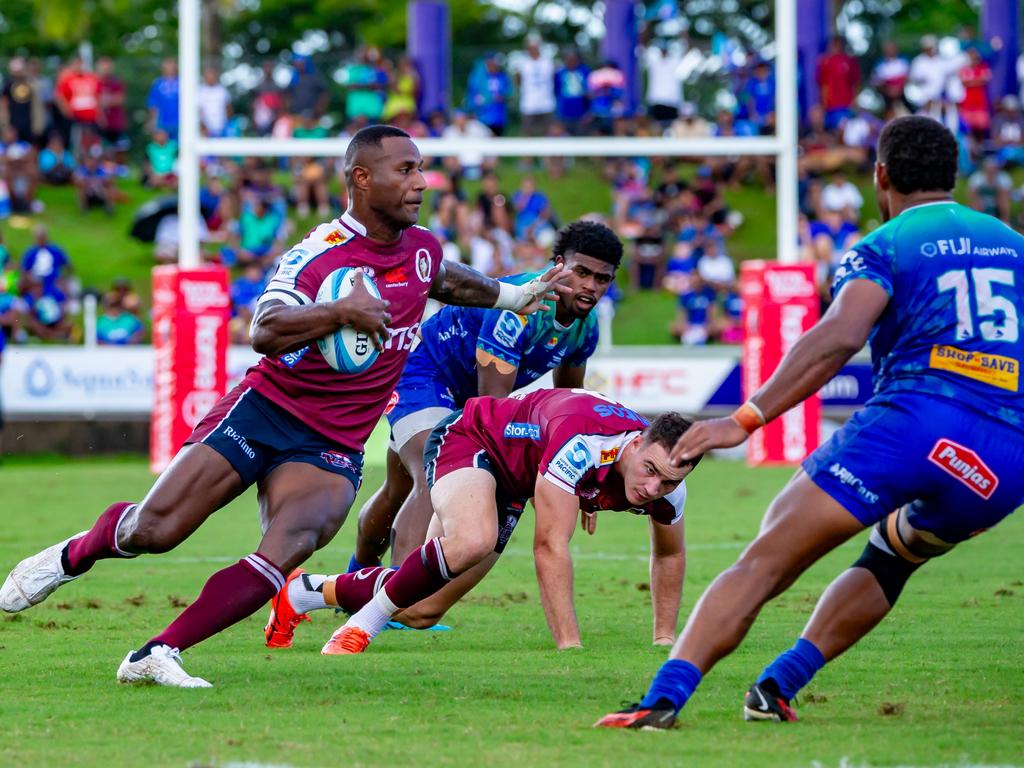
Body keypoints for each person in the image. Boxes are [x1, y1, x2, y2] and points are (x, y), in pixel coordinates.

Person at [0, 125, 567, 688]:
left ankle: (157, 652)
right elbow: (264, 328)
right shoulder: (318, 256)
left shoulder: (421, 248)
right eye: (407, 170)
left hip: (333, 444)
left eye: (421, 169)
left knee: (293, 543)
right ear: (362, 179)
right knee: (155, 530)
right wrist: (341, 312)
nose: (422, 181)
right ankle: (74, 554)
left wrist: (516, 294)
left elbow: (441, 279)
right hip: (264, 411)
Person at [596, 115, 1024, 730]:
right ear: (952, 177)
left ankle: (661, 700)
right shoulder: (1012, 242)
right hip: (1002, 458)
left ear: (880, 176)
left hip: (912, 423)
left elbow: (839, 336)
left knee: (764, 563)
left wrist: (744, 419)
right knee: (894, 557)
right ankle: (777, 687)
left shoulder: (890, 243)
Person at [270, 389, 700, 656]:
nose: (653, 487)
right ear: (637, 440)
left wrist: (664, 639)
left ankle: (306, 592)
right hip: (472, 439)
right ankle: (358, 629)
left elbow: (671, 552)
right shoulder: (583, 442)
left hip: (514, 482)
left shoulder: (664, 484)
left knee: (421, 609)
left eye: (668, 481)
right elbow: (550, 546)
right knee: (474, 539)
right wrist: (571, 649)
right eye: (649, 470)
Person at [328, 219, 621, 598]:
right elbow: (491, 410)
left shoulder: (586, 327)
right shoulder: (521, 306)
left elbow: (569, 405)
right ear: (558, 264)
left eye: (602, 279)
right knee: (432, 477)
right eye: (582, 272)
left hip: (464, 396)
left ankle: (356, 577)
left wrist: (580, 476)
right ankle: (396, 599)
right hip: (423, 374)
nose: (590, 287)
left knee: (396, 489)